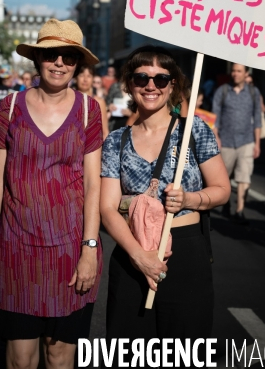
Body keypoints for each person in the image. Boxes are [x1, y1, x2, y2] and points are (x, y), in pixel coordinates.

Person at [0, 18, 103, 369]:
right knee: (20, 358)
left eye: (68, 56)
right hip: (16, 250)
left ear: (78, 63)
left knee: (60, 355)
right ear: (37, 59)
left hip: (70, 249)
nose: (59, 63)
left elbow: (94, 184)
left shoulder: (89, 110)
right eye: (51, 55)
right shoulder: (10, 107)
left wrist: (90, 249)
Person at [100, 46, 230, 363]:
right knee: (129, 356)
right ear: (129, 84)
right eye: (142, 77)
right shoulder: (115, 141)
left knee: (184, 355)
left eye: (161, 78)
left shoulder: (194, 130)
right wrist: (139, 256)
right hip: (133, 254)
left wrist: (190, 199)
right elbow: (107, 207)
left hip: (186, 255)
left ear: (173, 85)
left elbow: (222, 189)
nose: (151, 85)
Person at [212, 64, 262, 224]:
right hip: (225, 141)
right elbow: (215, 117)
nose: (235, 74)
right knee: (224, 177)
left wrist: (257, 143)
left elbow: (258, 120)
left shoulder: (254, 92)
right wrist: (216, 137)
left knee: (243, 176)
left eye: (239, 71)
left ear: (246, 73)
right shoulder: (222, 91)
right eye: (233, 71)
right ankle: (225, 204)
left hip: (246, 141)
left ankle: (240, 210)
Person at [75, 64, 109, 139]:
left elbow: (105, 131)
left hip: (92, 147)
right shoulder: (69, 99)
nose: (85, 79)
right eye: (81, 75)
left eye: (89, 76)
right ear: (75, 77)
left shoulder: (99, 102)